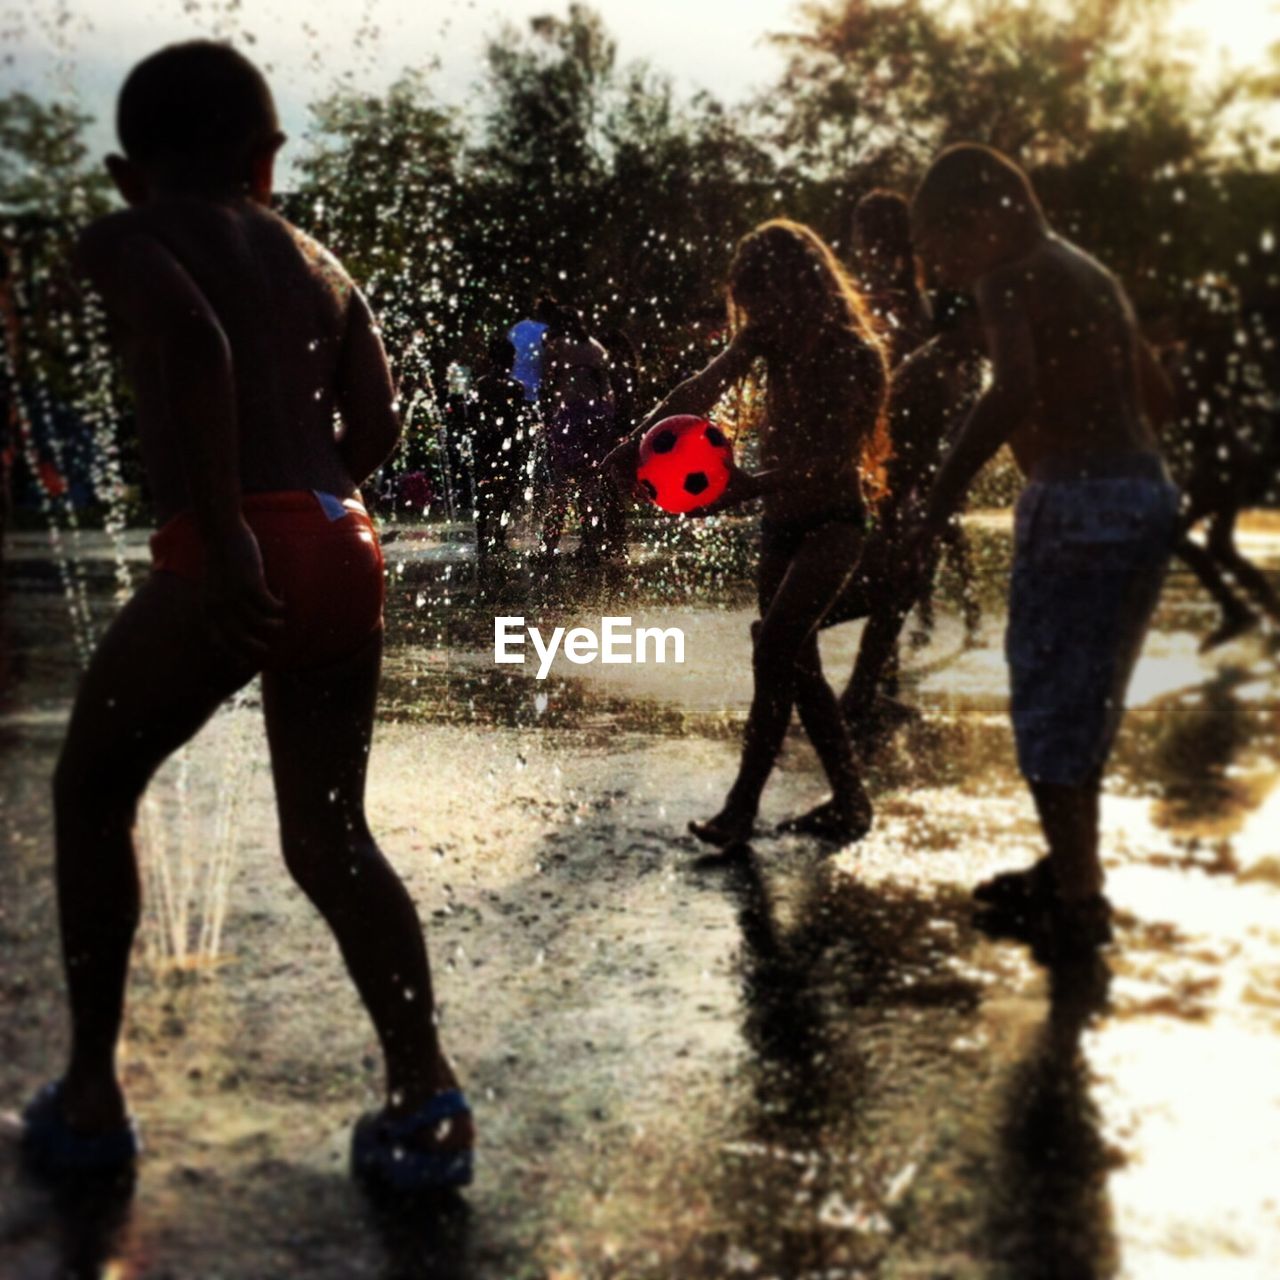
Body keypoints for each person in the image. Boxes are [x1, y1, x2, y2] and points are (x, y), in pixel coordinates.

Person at [19, 41, 473, 1192]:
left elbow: (189, 342)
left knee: (90, 786)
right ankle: (426, 1097)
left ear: (130, 171)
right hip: (340, 538)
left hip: (238, 539)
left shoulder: (129, 233)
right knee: (329, 837)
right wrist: (308, 500)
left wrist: (225, 535)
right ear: (266, 159)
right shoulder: (317, 257)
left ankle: (89, 1097)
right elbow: (376, 420)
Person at [902, 144, 1180, 957]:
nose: (946, 275)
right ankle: (1069, 868)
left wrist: (938, 498)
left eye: (943, 250)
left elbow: (1014, 385)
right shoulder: (1089, 274)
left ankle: (1079, 900)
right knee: (1088, 698)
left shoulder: (1008, 275)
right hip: (1143, 493)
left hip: (1078, 502)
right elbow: (1158, 399)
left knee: (1047, 697)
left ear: (985, 217)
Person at [606, 219, 889, 848]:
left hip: (835, 523)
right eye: (750, 301)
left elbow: (837, 460)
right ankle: (850, 799)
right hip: (782, 526)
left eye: (766, 297)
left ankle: (741, 809)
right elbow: (697, 392)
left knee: (774, 649)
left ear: (803, 288)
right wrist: (635, 443)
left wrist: (750, 485)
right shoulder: (766, 341)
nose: (758, 314)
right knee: (796, 663)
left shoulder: (856, 355)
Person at [824, 290, 987, 731]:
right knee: (884, 589)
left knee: (900, 590)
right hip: (892, 492)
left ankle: (861, 688)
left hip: (909, 493)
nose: (992, 331)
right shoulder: (930, 371)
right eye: (983, 320)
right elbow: (893, 444)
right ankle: (788, 629)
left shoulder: (954, 365)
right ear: (962, 323)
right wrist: (896, 511)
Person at [1162, 278, 1280, 651]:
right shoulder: (1197, 349)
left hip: (1221, 460)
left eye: (1193, 306)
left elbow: (1184, 398)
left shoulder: (1214, 351)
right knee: (1219, 546)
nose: (1186, 312)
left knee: (1170, 534)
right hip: (1221, 458)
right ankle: (1267, 614)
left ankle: (1236, 611)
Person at [539, 304, 618, 562]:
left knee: (559, 485)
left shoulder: (558, 346)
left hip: (567, 419)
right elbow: (608, 390)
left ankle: (549, 547)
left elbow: (547, 385)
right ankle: (590, 546)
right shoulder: (596, 347)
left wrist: (545, 417)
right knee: (588, 485)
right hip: (596, 419)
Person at [469, 334, 529, 561]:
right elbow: (518, 420)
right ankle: (500, 537)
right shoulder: (516, 387)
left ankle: (483, 540)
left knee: (484, 492)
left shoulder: (481, 384)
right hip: (507, 444)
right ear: (510, 360)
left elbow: (472, 417)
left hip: (485, 443)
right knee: (506, 492)